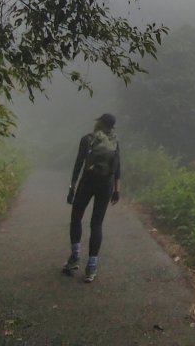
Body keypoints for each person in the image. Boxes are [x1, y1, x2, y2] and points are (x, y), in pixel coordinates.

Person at [63, 113, 121, 282]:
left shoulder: (87, 139)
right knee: (97, 223)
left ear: (99, 123)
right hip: (106, 186)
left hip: (87, 183)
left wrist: (72, 188)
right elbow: (118, 169)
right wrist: (117, 190)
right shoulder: (114, 142)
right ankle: (92, 267)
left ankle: (74, 258)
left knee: (76, 216)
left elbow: (78, 165)